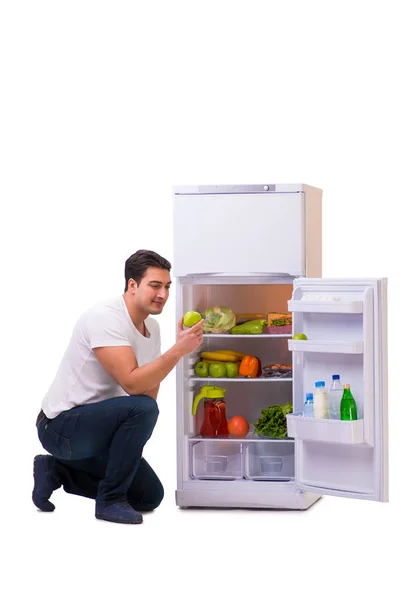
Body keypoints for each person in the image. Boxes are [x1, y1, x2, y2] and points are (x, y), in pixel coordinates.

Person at [32, 249, 203, 524]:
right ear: (132, 285)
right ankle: (110, 500)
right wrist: (178, 351)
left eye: (167, 287)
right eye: (155, 286)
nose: (163, 294)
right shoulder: (106, 318)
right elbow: (133, 384)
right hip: (60, 427)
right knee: (143, 408)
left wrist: (127, 449)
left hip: (98, 431)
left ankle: (57, 470)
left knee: (149, 496)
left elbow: (149, 391)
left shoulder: (153, 329)